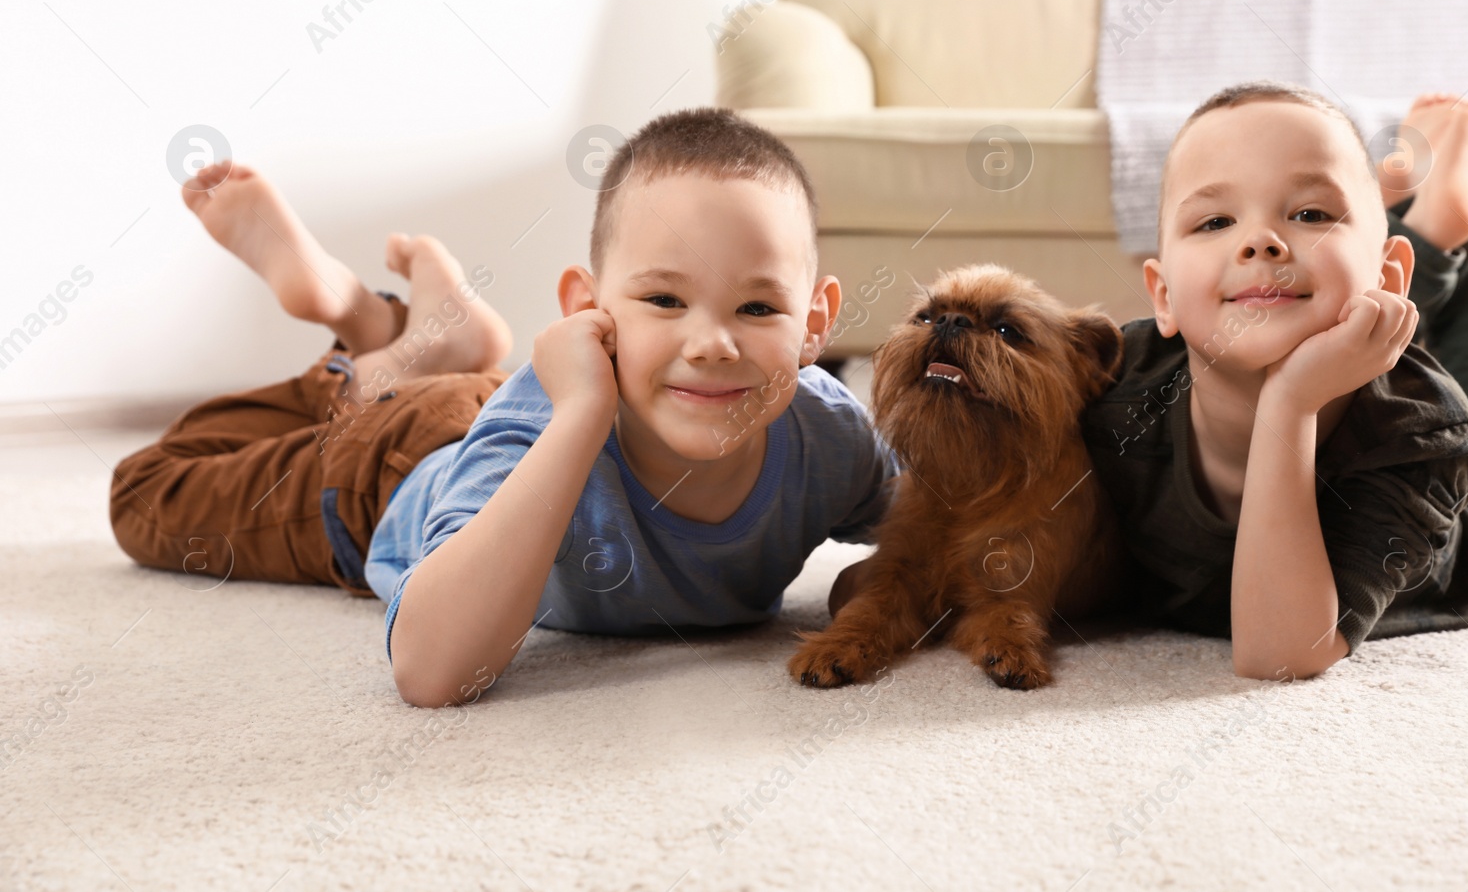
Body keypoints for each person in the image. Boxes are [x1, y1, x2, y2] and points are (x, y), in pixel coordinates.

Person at [110, 108, 899, 708]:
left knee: (475, 398)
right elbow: (432, 672)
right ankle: (356, 348)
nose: (714, 343)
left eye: (759, 309)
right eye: (664, 297)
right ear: (586, 311)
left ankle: (425, 343)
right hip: (384, 470)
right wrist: (581, 412)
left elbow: (948, 521)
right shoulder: (553, 417)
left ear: (816, 325)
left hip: (506, 408)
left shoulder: (828, 433)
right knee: (148, 492)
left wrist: (883, 585)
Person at [1078, 82, 1468, 680]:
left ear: (1389, 275)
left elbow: (1281, 653)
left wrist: (1291, 403)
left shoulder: (1427, 435)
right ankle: (1397, 215)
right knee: (1323, 298)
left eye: (1310, 214)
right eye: (1216, 220)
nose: (1258, 240)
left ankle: (1447, 216)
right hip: (1359, 309)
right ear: (1162, 297)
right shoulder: (1120, 384)